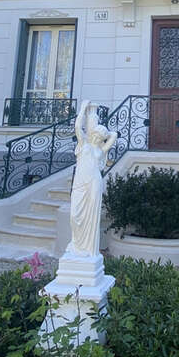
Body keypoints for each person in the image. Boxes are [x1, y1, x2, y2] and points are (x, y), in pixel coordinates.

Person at [68, 100, 117, 257]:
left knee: (92, 216)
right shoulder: (83, 144)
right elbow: (77, 127)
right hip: (80, 184)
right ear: (92, 134)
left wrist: (106, 134)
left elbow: (114, 135)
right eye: (96, 134)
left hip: (95, 182)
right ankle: (77, 244)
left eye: (100, 136)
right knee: (75, 215)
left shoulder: (101, 150)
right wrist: (83, 109)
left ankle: (88, 248)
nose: (97, 137)